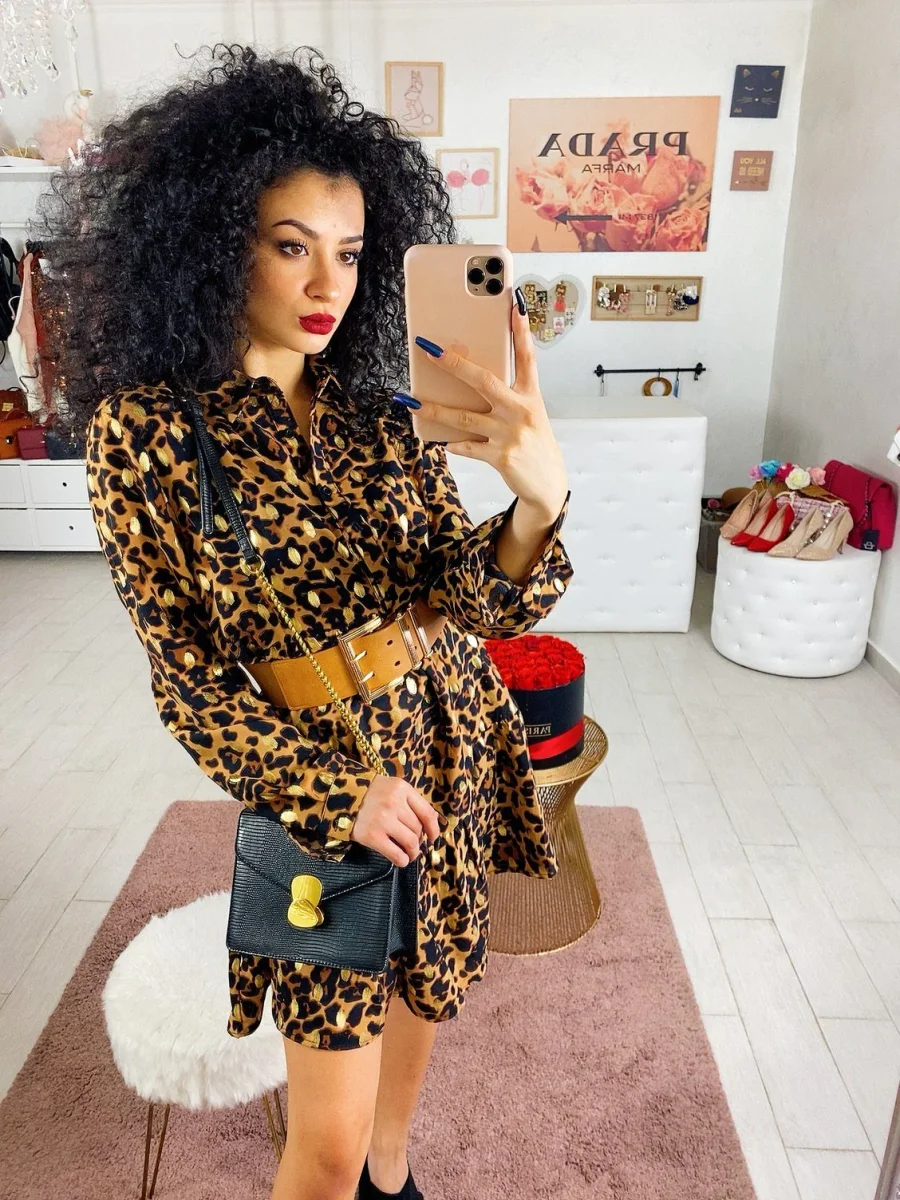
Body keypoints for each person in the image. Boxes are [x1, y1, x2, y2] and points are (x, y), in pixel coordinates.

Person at [38, 43, 573, 1200]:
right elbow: (188, 681)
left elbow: (469, 599)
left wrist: (537, 505)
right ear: (212, 240)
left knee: (425, 988)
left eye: (350, 251)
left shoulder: (384, 414)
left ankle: (397, 1172)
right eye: (291, 245)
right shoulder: (148, 434)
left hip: (448, 734)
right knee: (321, 1149)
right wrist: (335, 795)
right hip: (320, 780)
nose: (328, 282)